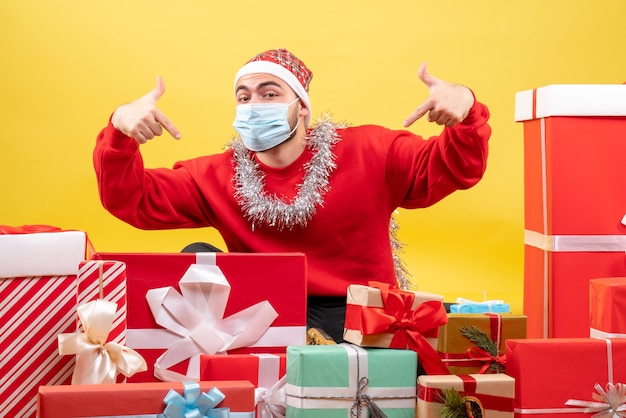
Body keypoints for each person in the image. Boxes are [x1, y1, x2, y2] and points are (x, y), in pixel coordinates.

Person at [94, 48, 491, 343]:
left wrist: (466, 111)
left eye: (269, 94)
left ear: (302, 107)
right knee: (198, 258)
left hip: (354, 312)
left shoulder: (370, 150)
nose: (253, 106)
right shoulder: (215, 175)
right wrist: (120, 129)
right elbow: (132, 199)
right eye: (244, 97)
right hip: (261, 312)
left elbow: (454, 167)